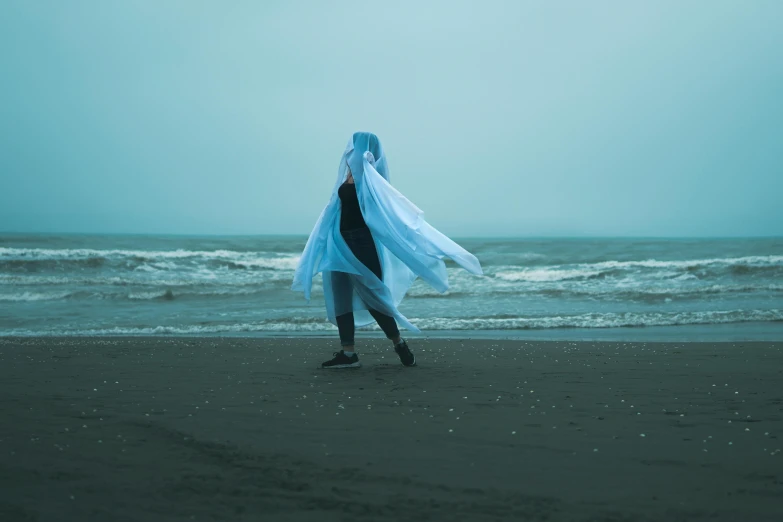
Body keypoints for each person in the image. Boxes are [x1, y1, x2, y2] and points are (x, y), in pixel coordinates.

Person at [292, 132, 482, 369]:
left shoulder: (372, 179)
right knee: (339, 294)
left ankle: (399, 343)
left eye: (355, 148)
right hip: (338, 242)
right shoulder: (346, 176)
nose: (350, 152)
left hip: (361, 242)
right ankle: (348, 353)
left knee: (373, 296)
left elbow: (388, 209)